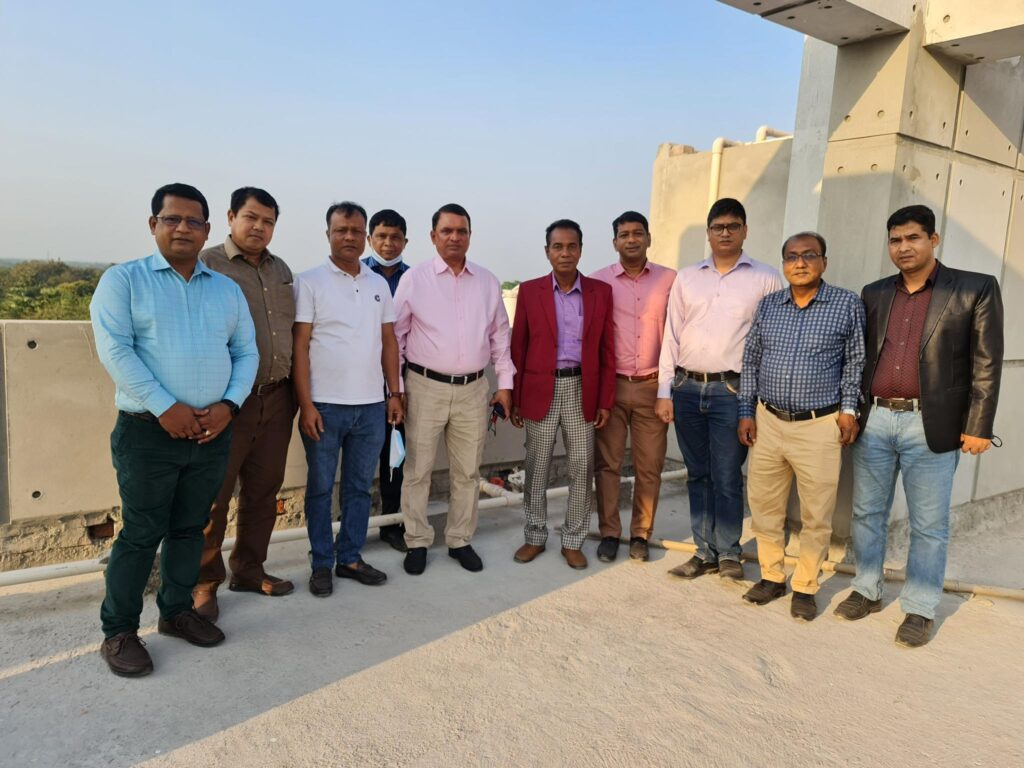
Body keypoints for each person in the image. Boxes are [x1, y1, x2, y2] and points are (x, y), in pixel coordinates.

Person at [90, 183, 258, 677]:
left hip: (211, 432)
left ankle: (176, 611)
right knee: (141, 533)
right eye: (172, 219)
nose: (182, 228)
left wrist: (229, 406)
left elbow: (245, 351)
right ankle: (119, 631)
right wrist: (166, 408)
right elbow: (116, 351)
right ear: (153, 225)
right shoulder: (124, 281)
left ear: (207, 230)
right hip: (148, 432)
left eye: (193, 221)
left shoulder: (226, 290)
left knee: (190, 527)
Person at [834, 205, 1003, 647]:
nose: (903, 247)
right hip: (875, 419)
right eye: (895, 240)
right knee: (867, 513)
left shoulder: (974, 288)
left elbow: (987, 363)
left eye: (913, 238)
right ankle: (867, 589)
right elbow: (859, 356)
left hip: (931, 423)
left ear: (933, 239)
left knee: (929, 523)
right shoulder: (874, 292)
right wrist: (851, 409)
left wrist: (979, 425)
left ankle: (920, 606)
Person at [737, 232, 865, 621]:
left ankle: (806, 585)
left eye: (809, 255)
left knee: (816, 512)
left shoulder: (846, 304)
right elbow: (751, 360)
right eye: (792, 256)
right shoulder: (769, 305)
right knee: (764, 506)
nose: (800, 262)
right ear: (784, 264)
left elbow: (855, 361)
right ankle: (772, 576)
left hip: (819, 424)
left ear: (824, 261)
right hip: (768, 421)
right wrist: (746, 411)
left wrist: (849, 409)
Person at [657, 198, 781, 582]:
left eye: (732, 226)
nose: (725, 233)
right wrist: (664, 391)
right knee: (697, 474)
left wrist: (757, 400)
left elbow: (771, 342)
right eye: (717, 227)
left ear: (745, 231)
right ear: (709, 233)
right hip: (686, 388)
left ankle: (728, 552)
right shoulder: (687, 277)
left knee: (726, 475)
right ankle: (703, 551)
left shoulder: (765, 278)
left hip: (732, 391)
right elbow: (671, 334)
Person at [193, 187, 297, 620]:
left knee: (263, 490)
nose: (259, 227)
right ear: (231, 217)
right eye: (251, 217)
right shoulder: (207, 264)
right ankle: (203, 582)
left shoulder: (281, 269)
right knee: (213, 496)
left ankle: (250, 569)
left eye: (268, 221)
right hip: (227, 402)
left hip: (277, 396)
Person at [393, 203, 514, 575]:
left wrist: (505, 385)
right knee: (418, 470)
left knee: (467, 472)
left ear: (470, 236)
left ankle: (460, 539)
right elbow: (396, 338)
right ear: (433, 236)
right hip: (424, 387)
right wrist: (396, 390)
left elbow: (500, 338)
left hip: (473, 390)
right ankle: (417, 540)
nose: (454, 237)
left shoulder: (488, 282)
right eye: (446, 231)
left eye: (461, 231)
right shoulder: (415, 279)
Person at [293, 202, 403, 597]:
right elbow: (300, 345)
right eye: (341, 230)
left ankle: (350, 557)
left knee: (359, 487)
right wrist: (306, 404)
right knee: (321, 489)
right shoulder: (309, 282)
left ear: (366, 237)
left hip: (372, 406)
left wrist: (394, 393)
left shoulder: (378, 285)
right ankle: (322, 563)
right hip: (324, 406)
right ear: (328, 234)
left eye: (356, 231)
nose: (349, 237)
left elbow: (388, 341)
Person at [510, 220, 615, 570]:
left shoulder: (600, 292)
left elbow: (606, 350)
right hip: (540, 389)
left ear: (581, 250)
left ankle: (572, 540)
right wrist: (515, 397)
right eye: (558, 246)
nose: (565, 253)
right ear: (547, 251)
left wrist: (605, 400)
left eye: (572, 246)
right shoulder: (530, 291)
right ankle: (535, 535)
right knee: (536, 467)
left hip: (581, 389)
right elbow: (518, 347)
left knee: (581, 468)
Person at [590, 211, 676, 562]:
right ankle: (610, 532)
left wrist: (667, 390)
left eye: (638, 233)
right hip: (612, 386)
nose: (631, 239)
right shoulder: (598, 282)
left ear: (648, 238)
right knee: (607, 465)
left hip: (652, 386)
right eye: (624, 234)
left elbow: (676, 333)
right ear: (614, 242)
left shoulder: (670, 280)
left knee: (649, 465)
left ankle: (641, 533)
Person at [362, 209, 412, 552]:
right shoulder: (357, 274)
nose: (388, 243)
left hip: (401, 383)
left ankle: (392, 523)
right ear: (370, 239)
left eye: (395, 237)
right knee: (359, 457)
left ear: (405, 242)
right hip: (361, 379)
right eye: (381, 236)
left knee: (396, 455)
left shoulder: (416, 279)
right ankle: (350, 525)